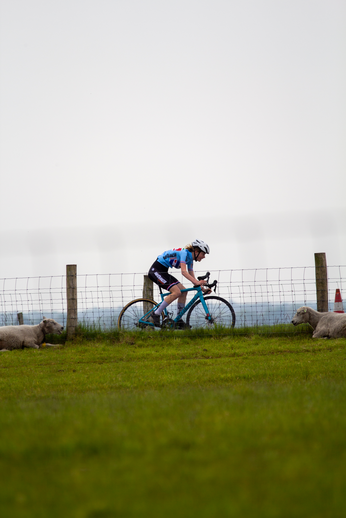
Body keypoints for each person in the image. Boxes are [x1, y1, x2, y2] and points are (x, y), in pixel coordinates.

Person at [148, 239, 211, 327]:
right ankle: (156, 313)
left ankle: (179, 319)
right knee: (177, 292)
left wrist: (202, 289)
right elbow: (184, 272)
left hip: (163, 272)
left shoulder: (190, 259)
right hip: (156, 270)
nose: (204, 256)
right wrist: (197, 282)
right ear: (196, 251)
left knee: (183, 291)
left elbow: (192, 277)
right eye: (203, 254)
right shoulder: (184, 253)